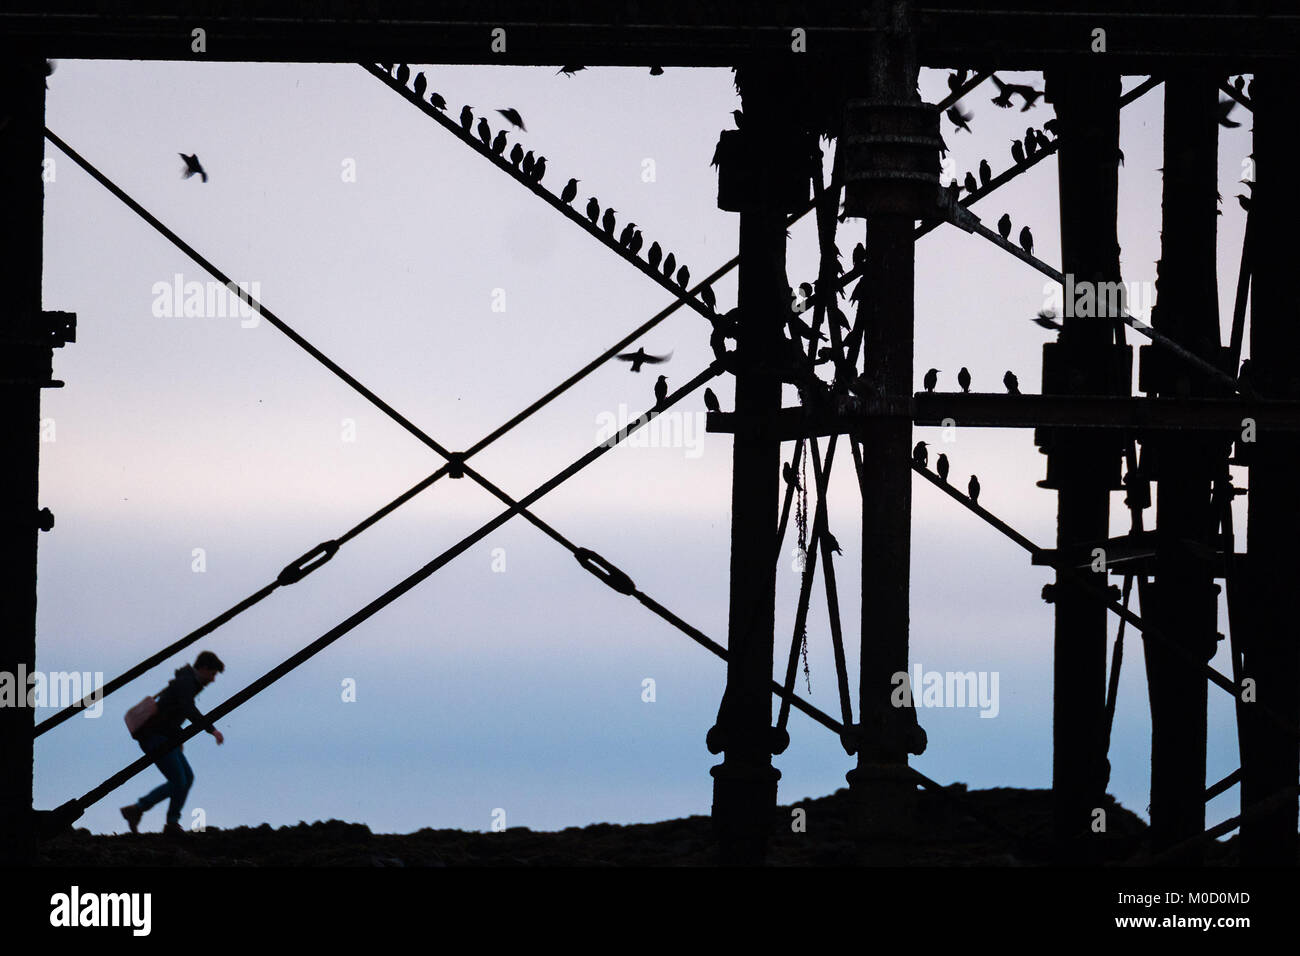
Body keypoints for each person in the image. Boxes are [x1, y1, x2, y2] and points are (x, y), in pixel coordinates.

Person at [120, 651, 225, 836]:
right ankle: (157, 817)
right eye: (213, 673)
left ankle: (154, 816)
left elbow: (174, 713)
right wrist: (211, 730)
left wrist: (178, 739)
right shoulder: (186, 683)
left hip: (166, 737)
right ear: (203, 669)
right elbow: (188, 709)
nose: (213, 679)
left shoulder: (187, 683)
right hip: (155, 737)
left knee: (187, 778)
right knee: (179, 780)